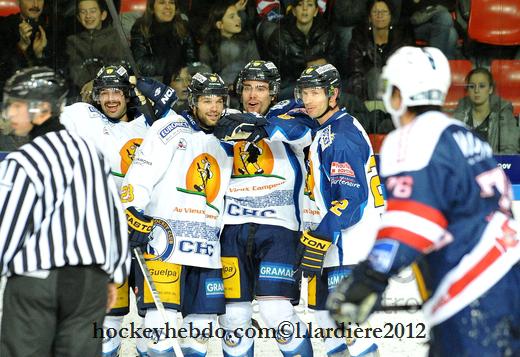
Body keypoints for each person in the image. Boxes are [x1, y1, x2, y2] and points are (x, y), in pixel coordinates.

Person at [327, 46, 520, 357]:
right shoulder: (464, 134)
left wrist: (368, 279)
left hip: (472, 291)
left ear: (400, 93)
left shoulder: (412, 137)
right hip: (509, 278)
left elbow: (412, 223)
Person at [0, 66, 130, 356]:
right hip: (89, 285)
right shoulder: (91, 154)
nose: (9, 113)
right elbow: (113, 217)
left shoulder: (23, 160)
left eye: (16, 105)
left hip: (35, 281)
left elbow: (8, 229)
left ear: (40, 109)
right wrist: (114, 275)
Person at [60, 63, 177, 356]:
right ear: (95, 95)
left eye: (118, 91)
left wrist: (159, 95)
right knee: (109, 317)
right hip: (104, 234)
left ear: (129, 95)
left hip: (146, 230)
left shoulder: (150, 125)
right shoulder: (82, 116)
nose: (111, 99)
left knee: (154, 318)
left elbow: (182, 118)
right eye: (104, 92)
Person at [120, 72, 237, 356]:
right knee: (161, 334)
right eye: (206, 100)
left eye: (219, 101)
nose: (214, 107)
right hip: (165, 246)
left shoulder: (230, 133)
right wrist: (133, 213)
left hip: (207, 250)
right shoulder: (170, 127)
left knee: (198, 336)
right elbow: (138, 176)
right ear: (194, 101)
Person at [213, 59, 316, 357]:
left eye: (260, 88)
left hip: (279, 229)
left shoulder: (291, 113)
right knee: (233, 319)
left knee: (276, 311)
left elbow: (303, 134)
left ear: (273, 91)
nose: (252, 95)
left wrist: (259, 124)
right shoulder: (227, 117)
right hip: (231, 230)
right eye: (247, 88)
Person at [294, 63, 383, 357]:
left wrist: (320, 237)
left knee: (351, 332)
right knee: (326, 326)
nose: (308, 100)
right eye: (305, 92)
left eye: (316, 92)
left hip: (348, 248)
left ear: (333, 95)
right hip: (334, 249)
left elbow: (350, 199)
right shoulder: (329, 128)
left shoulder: (340, 136)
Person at [265, 0, 338, 100]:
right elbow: (273, 70)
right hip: (291, 85)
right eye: (300, 5)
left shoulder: (327, 32)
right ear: (294, 11)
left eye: (310, 5)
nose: (305, 9)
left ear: (316, 11)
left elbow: (336, 60)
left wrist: (326, 62)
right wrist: (306, 65)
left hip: (321, 83)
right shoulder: (279, 35)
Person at [346, 0, 412, 101]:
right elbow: (355, 73)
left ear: (391, 16)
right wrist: (362, 103)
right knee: (374, 74)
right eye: (375, 12)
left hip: (395, 94)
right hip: (368, 94)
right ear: (369, 17)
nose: (379, 15)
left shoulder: (401, 38)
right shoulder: (359, 37)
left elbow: (407, 70)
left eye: (384, 12)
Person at [453, 67, 520, 154]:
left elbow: (509, 152)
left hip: (494, 165)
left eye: (482, 86)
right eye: (472, 86)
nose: (476, 91)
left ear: (490, 89)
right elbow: (452, 149)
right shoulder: (460, 112)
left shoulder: (503, 113)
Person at [65, 0, 126, 91]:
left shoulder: (115, 37)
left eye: (93, 11)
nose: (88, 16)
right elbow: (75, 68)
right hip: (83, 91)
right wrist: (87, 86)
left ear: (103, 15)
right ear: (78, 17)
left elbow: (116, 65)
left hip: (110, 89)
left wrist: (96, 84)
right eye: (83, 12)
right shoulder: (73, 41)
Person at [131, 0, 197, 81]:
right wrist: (173, 67)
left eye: (171, 3)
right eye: (162, 2)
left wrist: (183, 72)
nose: (168, 7)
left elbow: (192, 60)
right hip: (154, 83)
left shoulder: (183, 27)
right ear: (152, 7)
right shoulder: (141, 27)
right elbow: (141, 64)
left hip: (181, 80)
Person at [199, 2, 260, 85]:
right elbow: (205, 77)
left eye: (237, 15)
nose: (238, 19)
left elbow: (256, 69)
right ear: (220, 25)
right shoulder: (207, 47)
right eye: (232, 17)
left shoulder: (247, 40)